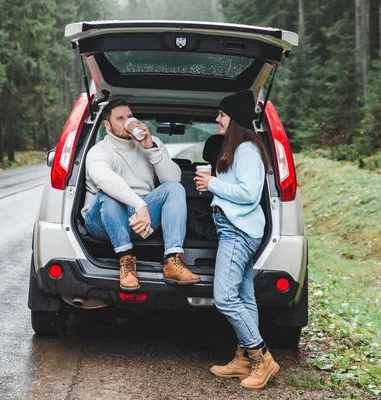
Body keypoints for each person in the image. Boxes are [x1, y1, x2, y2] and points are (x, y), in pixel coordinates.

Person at [194, 90, 279, 389]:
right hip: (234, 228)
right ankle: (244, 359)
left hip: (238, 231)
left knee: (226, 298)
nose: (217, 119)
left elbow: (249, 193)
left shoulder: (246, 151)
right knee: (243, 297)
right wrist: (214, 186)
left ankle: (261, 357)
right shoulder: (239, 149)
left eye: (222, 114)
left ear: (236, 119)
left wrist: (213, 183)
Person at [82, 98, 200, 291]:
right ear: (108, 126)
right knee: (108, 194)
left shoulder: (152, 143)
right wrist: (140, 205)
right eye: (120, 118)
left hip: (141, 222)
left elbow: (173, 179)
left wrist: (150, 148)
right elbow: (105, 179)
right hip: (102, 222)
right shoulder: (99, 151)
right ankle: (126, 261)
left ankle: (173, 260)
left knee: (174, 189)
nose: (127, 121)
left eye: (129, 116)